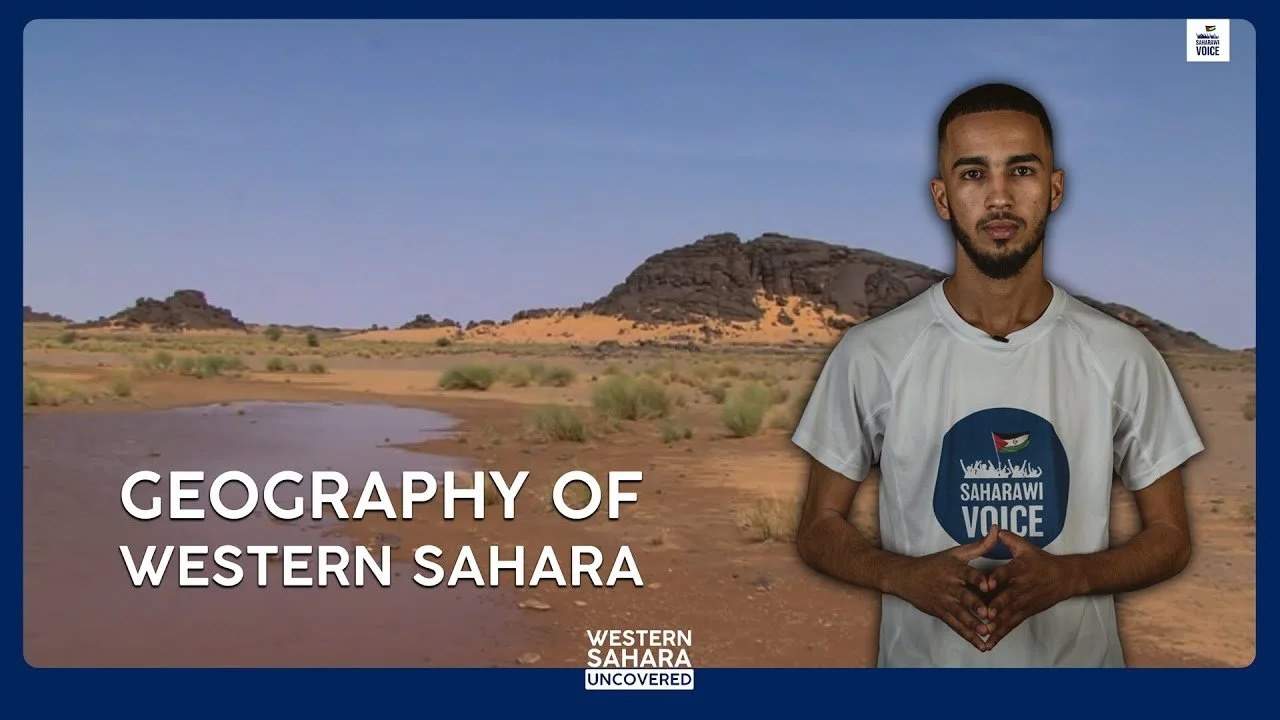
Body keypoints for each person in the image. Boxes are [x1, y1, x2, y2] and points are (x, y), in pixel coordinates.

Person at [791, 82, 1203, 668]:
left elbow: (1171, 537)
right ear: (942, 197)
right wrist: (905, 577)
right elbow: (818, 527)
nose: (1000, 197)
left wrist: (1072, 577)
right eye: (973, 174)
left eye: (1022, 170)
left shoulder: (1122, 355)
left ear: (1055, 188)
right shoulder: (873, 353)